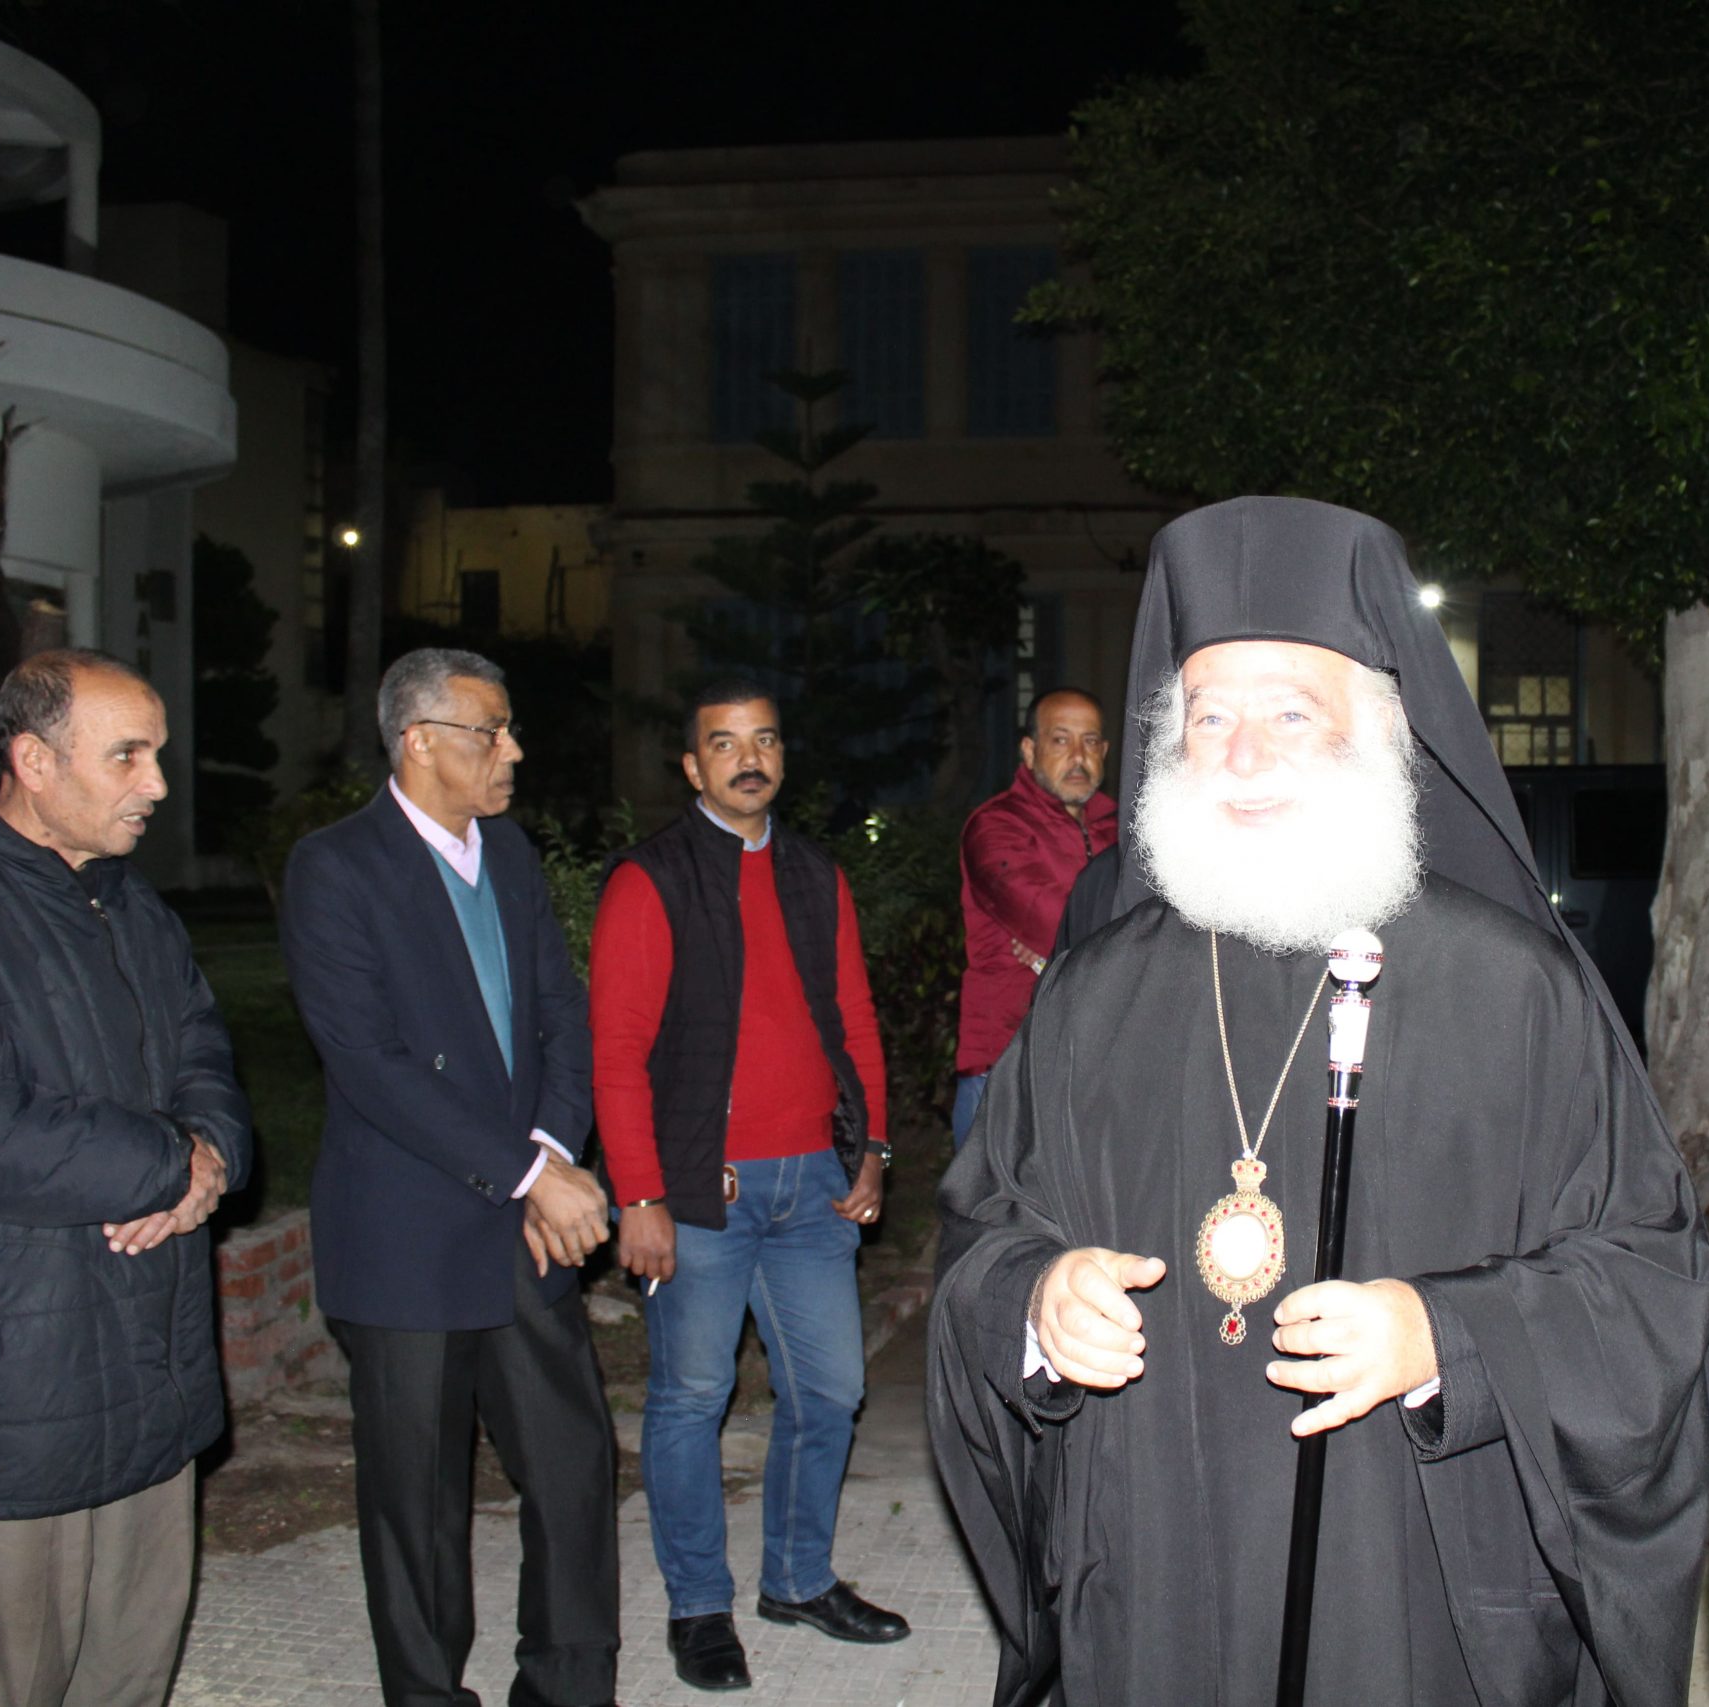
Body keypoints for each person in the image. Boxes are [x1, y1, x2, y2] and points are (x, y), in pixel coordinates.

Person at [930, 497, 1709, 1707]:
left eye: (1289, 711)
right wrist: (1034, 1298)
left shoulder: (1517, 992)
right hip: (1154, 1576)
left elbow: (1648, 1275)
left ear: (1380, 727)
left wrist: (1448, 1337)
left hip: (1410, 1585)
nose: (1240, 753)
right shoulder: (1090, 996)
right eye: (1208, 714)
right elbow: (985, 1225)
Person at [0, 648, 250, 1706]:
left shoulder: (129, 901)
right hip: (4, 1399)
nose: (156, 784)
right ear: (33, 761)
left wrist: (211, 1156)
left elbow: (203, 1052)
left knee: (128, 1674)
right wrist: (166, 1162)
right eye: (127, 756)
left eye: (157, 755)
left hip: (150, 1380)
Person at [282, 647, 620, 1707]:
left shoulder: (508, 853)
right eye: (490, 731)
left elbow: (562, 1013)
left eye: (509, 728)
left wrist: (554, 1155)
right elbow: (368, 1063)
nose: (512, 749)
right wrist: (527, 1175)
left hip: (527, 1224)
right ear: (420, 742)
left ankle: (568, 1686)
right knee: (419, 1506)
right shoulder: (336, 866)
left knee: (573, 1467)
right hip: (408, 1236)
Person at [591, 678, 907, 1693]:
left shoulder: (815, 874)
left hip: (813, 1186)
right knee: (692, 1397)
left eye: (763, 739)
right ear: (693, 766)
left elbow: (854, 1019)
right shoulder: (652, 879)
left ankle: (798, 1579)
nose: (748, 758)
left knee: (832, 1391)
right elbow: (617, 1052)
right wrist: (640, 1194)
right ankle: (697, 1607)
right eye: (724, 743)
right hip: (701, 1192)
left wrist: (873, 1148)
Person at [954, 686, 1118, 1144]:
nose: (1078, 756)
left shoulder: (1124, 830)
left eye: (1090, 741)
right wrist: (1119, 936)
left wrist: (1057, 956)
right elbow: (1054, 923)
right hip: (1008, 1065)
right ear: (1029, 751)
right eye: (1060, 740)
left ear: (1105, 752)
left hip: (1100, 1066)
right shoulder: (996, 826)